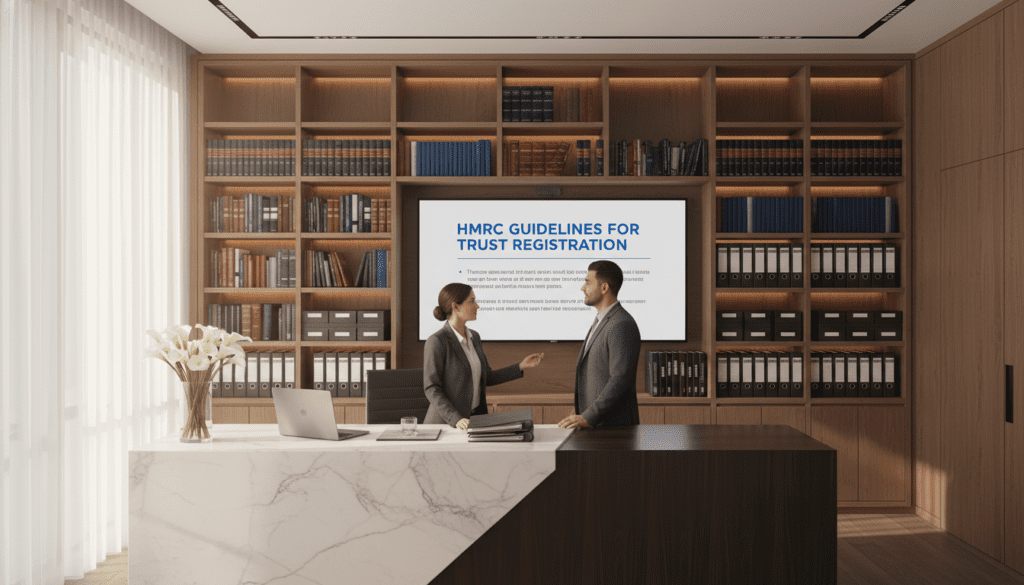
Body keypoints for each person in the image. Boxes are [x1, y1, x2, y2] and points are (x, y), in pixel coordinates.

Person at [424, 283, 544, 429]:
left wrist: (521, 366)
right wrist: (455, 419)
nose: (477, 306)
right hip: (447, 425)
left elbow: (487, 376)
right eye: (472, 301)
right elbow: (431, 388)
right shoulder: (437, 341)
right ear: (456, 307)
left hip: (475, 420)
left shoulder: (474, 337)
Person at [558, 260, 641, 429]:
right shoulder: (602, 321)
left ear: (604, 288)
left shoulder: (621, 324)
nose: (582, 288)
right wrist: (582, 411)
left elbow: (620, 379)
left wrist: (589, 416)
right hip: (598, 426)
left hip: (614, 430)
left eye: (588, 282)